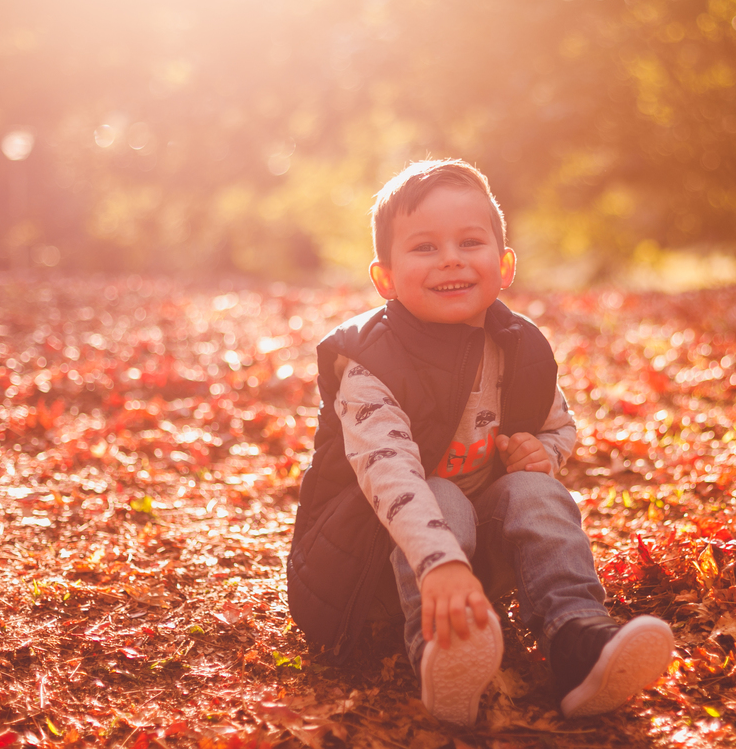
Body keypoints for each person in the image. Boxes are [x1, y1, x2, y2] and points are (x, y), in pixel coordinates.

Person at [286, 159, 673, 726]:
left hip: (472, 560)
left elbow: (558, 425)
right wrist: (439, 562)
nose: (451, 259)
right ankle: (441, 652)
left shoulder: (519, 348)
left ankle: (577, 637)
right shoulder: (371, 365)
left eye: (470, 242)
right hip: (374, 570)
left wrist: (545, 453)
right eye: (425, 247)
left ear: (504, 265)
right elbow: (391, 475)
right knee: (439, 493)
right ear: (385, 279)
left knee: (536, 491)